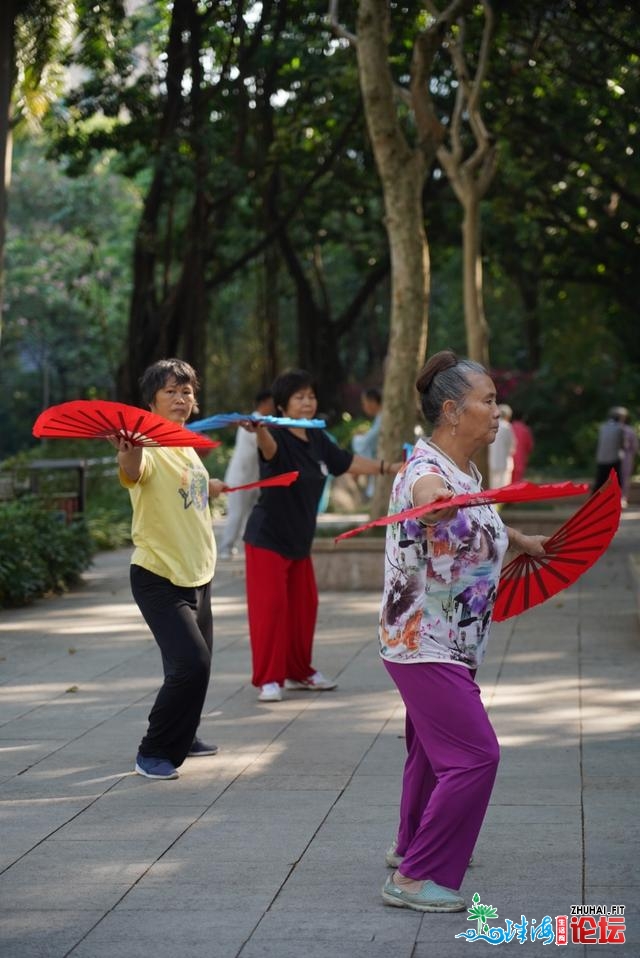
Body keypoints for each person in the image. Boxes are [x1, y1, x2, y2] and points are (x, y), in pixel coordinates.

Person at [379, 349, 547, 913]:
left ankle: (409, 848)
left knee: (429, 752)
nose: (497, 411)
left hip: (452, 639)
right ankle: (413, 879)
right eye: (488, 400)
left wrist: (516, 539)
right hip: (423, 642)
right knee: (476, 755)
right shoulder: (427, 472)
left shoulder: (463, 470)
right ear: (452, 411)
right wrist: (431, 510)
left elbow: (475, 515)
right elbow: (429, 502)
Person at [242, 368, 402, 702]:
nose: (307, 403)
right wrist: (259, 431)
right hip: (267, 538)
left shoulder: (317, 439)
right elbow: (269, 450)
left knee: (305, 608)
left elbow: (346, 462)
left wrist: (389, 468)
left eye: (310, 396)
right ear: (282, 407)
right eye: (298, 397)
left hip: (299, 540)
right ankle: (269, 679)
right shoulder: (275, 434)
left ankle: (299, 672)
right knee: (270, 610)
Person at [108, 358, 225, 781]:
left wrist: (208, 486)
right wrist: (129, 453)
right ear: (152, 400)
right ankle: (153, 751)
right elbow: (135, 471)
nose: (181, 398)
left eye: (187, 391)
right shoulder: (146, 443)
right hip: (158, 574)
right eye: (171, 391)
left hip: (198, 572)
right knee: (190, 664)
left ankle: (184, 733)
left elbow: (184, 492)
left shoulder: (186, 444)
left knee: (197, 661)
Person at [218, 389, 274, 559]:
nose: (272, 406)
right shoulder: (252, 422)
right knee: (236, 515)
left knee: (251, 516)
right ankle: (225, 548)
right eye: (271, 403)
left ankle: (247, 547)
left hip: (252, 480)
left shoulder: (261, 422)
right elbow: (263, 446)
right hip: (240, 479)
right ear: (264, 403)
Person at [352, 387, 383, 499]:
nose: (364, 407)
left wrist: (357, 438)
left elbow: (367, 442)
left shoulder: (383, 418)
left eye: (365, 403)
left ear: (373, 402)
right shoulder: (380, 418)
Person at [593, 407, 625, 492]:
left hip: (601, 458)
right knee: (617, 482)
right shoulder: (620, 428)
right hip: (613, 459)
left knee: (599, 482)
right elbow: (622, 445)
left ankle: (593, 501)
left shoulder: (603, 427)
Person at [488, 403, 516, 488]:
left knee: (493, 486)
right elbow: (512, 446)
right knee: (504, 487)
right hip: (505, 462)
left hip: (493, 460)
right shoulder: (507, 427)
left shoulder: (491, 426)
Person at [616, 407, 638, 508]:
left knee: (624, 477)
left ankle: (623, 498)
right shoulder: (625, 430)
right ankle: (618, 498)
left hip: (625, 457)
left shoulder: (629, 430)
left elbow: (634, 446)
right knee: (619, 478)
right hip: (618, 457)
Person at [510, 411, 534, 484]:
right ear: (523, 418)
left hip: (508, 458)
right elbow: (530, 446)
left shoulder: (509, 427)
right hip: (520, 459)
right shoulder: (526, 430)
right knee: (517, 482)